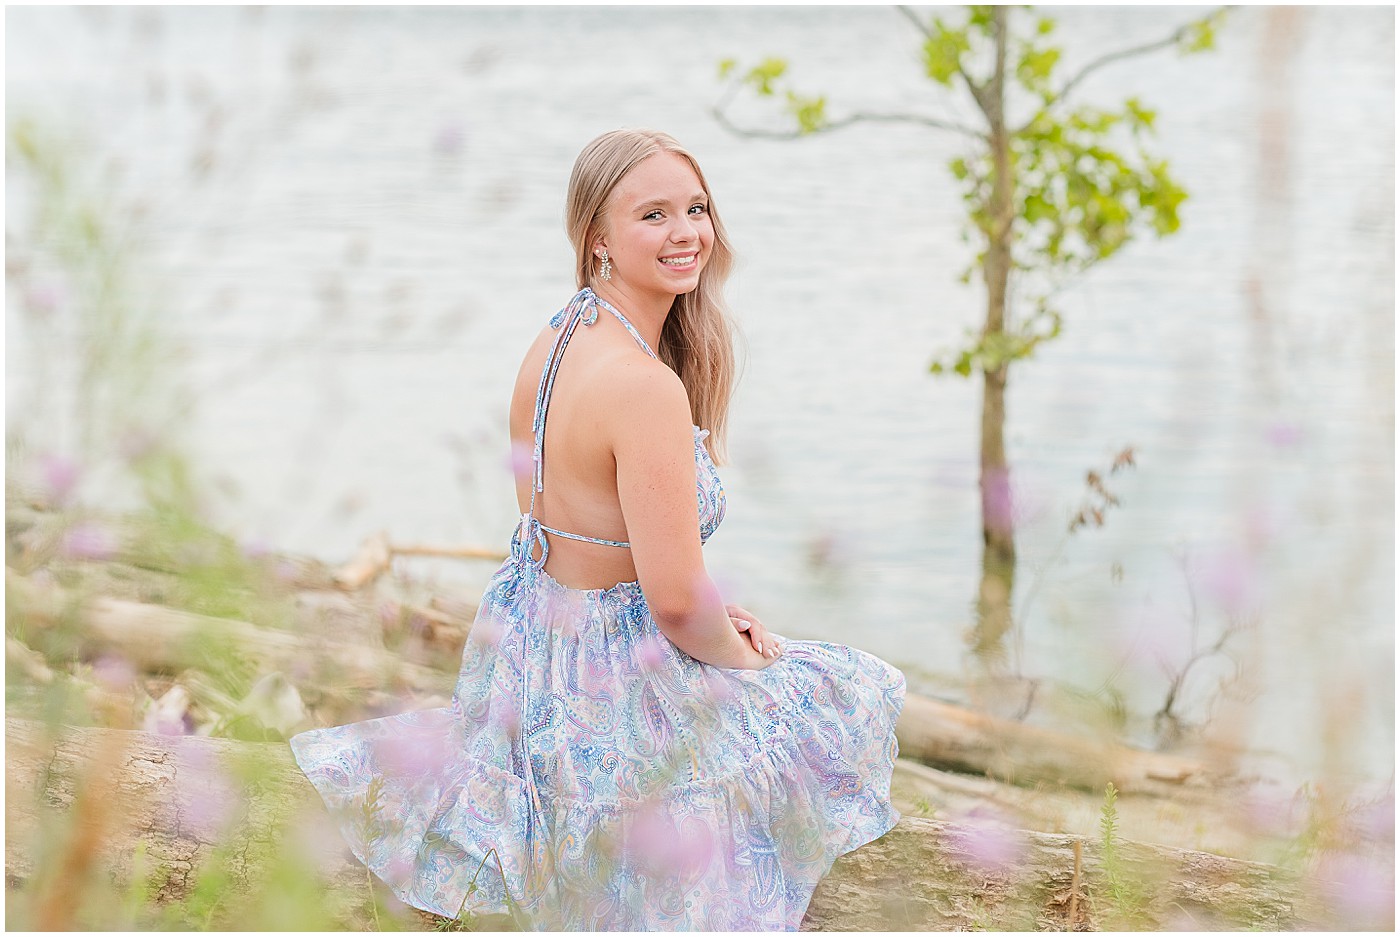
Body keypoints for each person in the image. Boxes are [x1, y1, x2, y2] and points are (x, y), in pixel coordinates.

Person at [290, 129, 905, 931]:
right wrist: (740, 651)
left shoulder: (555, 340)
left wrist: (718, 615)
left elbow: (582, 544)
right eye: (653, 214)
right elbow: (676, 601)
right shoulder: (644, 387)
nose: (686, 232)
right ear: (598, 240)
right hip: (610, 680)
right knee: (852, 692)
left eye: (696, 207)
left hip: (534, 652)